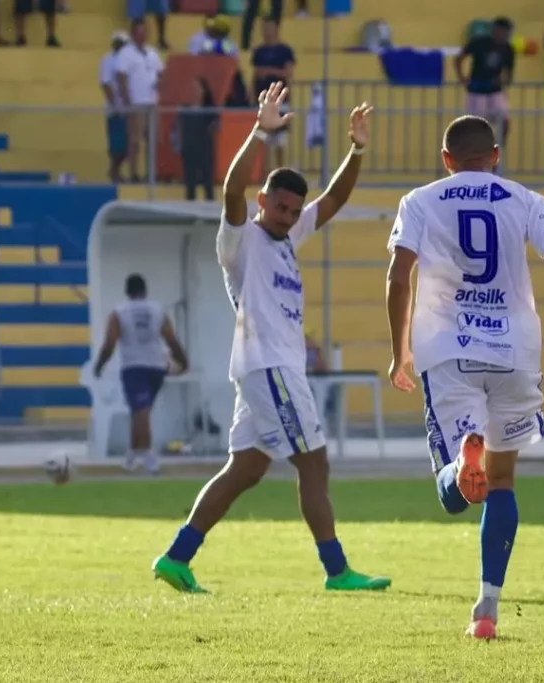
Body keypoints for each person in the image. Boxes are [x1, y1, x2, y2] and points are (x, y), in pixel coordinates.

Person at [150, 82, 391, 594]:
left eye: (292, 211)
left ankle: (176, 557)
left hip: (269, 368)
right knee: (314, 461)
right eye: (281, 208)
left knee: (246, 471)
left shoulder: (287, 235)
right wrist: (260, 129)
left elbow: (332, 201)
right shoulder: (241, 238)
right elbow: (231, 190)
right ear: (264, 202)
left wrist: (358, 149)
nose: (288, 218)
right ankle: (337, 571)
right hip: (270, 368)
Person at [384, 114, 544, 639]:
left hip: (449, 351)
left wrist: (400, 352)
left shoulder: (420, 200)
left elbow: (398, 275)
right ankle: (486, 609)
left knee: (453, 494)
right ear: (496, 155)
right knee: (503, 482)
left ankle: (464, 459)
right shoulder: (526, 199)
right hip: (515, 353)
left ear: (446, 160)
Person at [93, 274, 189, 474]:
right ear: (145, 290)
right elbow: (171, 339)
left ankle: (147, 456)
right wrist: (183, 361)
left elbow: (109, 343)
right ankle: (131, 454)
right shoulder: (158, 310)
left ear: (127, 291)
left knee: (141, 412)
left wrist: (99, 365)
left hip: (134, 367)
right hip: (156, 367)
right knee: (140, 412)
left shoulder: (119, 313)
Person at [454, 17, 515, 148]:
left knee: (504, 122)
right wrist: (462, 78)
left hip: (495, 91)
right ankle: (477, 155)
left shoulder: (508, 49)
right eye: (500, 32)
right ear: (494, 31)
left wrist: (502, 80)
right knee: (477, 127)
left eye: (506, 33)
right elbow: (459, 58)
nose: (502, 36)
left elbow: (509, 76)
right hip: (477, 91)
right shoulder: (479, 43)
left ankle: (496, 154)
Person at [115, 19, 164, 183]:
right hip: (136, 102)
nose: (142, 35)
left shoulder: (152, 53)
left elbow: (160, 74)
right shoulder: (126, 53)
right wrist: (127, 101)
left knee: (153, 140)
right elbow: (121, 77)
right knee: (135, 140)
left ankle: (151, 173)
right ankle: (133, 173)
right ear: (133, 34)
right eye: (139, 32)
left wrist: (159, 85)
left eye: (144, 32)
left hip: (152, 102)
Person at [252, 17, 296, 174]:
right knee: (264, 139)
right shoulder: (258, 51)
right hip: (263, 100)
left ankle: (281, 172)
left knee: (281, 140)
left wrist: (269, 72)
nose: (267, 31)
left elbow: (288, 72)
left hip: (280, 100)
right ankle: (265, 174)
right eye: (265, 28)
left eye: (270, 27)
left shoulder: (285, 51)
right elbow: (256, 74)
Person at [178, 78, 218, 201]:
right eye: (193, 88)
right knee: (190, 181)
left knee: (207, 180)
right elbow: (179, 128)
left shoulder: (209, 110)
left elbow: (214, 127)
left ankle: (210, 208)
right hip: (189, 147)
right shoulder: (185, 109)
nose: (194, 91)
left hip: (204, 147)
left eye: (197, 88)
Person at [100, 31, 129, 184]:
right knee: (117, 144)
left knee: (129, 144)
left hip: (130, 107)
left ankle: (116, 170)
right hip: (115, 109)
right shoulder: (108, 59)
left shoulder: (129, 59)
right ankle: (114, 171)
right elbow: (106, 83)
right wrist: (115, 104)